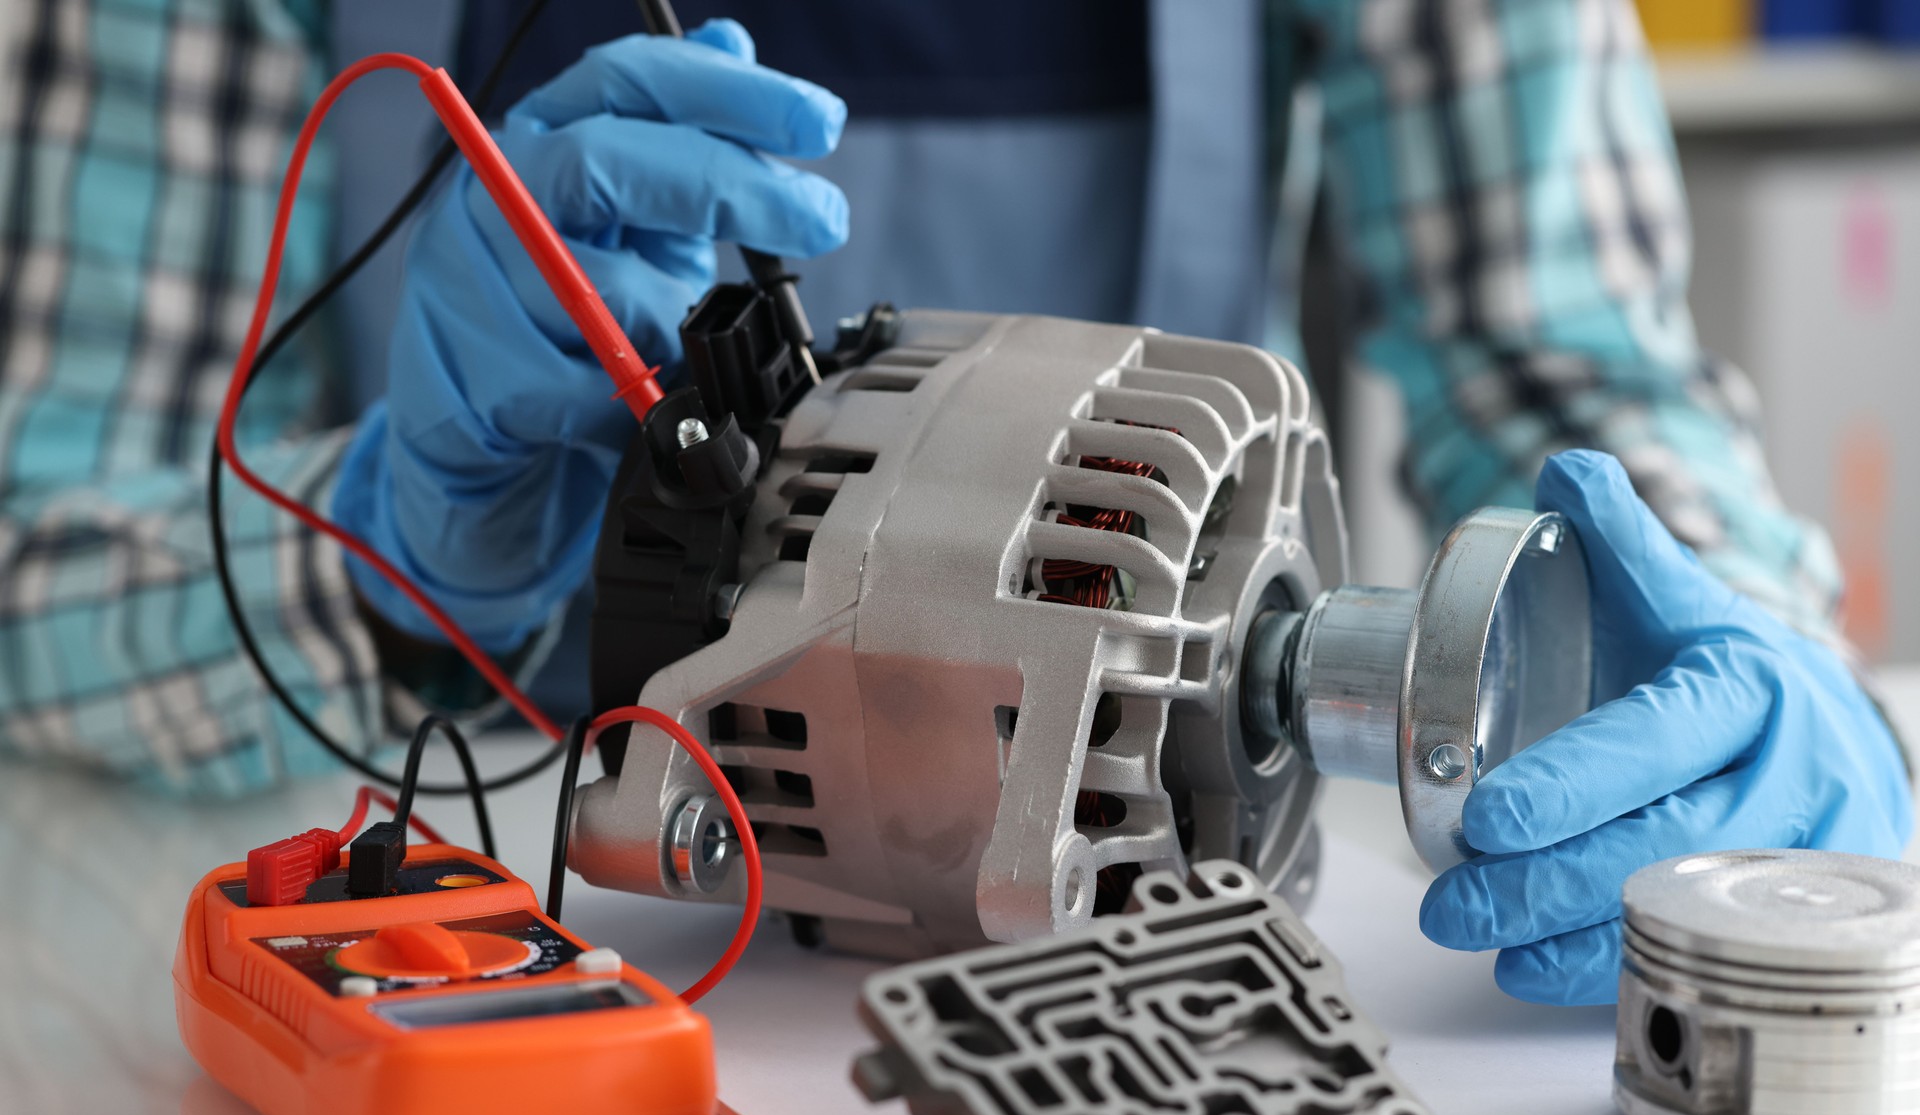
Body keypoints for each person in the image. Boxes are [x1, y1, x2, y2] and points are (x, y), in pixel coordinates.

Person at [0, 0, 1908, 1005]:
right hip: (407, 972)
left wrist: (1728, 641)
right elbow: (42, 557)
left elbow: (1564, 364)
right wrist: (395, 539)